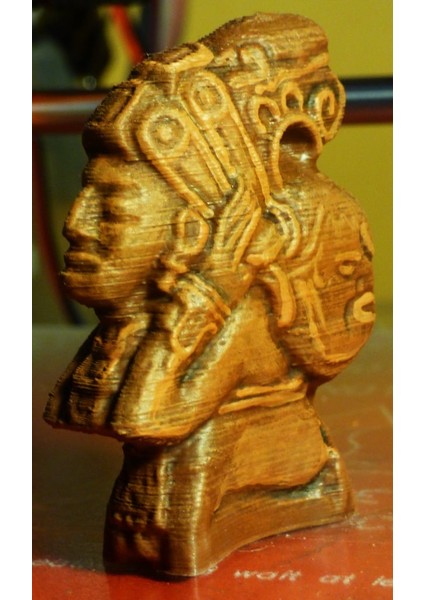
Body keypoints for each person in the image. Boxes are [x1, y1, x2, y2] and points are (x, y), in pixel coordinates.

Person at [44, 13, 374, 576]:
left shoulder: (239, 323)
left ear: (191, 231)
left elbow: (147, 416)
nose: (75, 223)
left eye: (111, 208)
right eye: (85, 197)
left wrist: (213, 285)